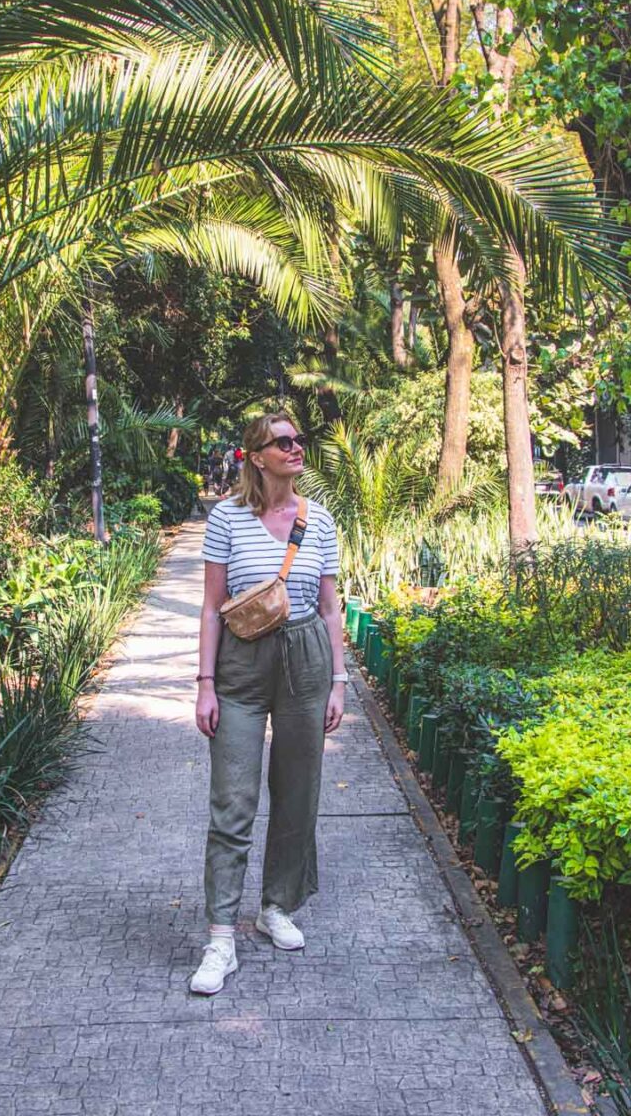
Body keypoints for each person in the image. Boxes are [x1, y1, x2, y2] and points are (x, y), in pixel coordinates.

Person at [190, 412, 347, 995]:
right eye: (283, 442)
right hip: (242, 664)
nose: (296, 447)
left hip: (305, 657)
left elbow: (331, 608)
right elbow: (212, 606)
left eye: (298, 439)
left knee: (298, 792)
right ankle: (221, 936)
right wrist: (205, 683)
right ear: (256, 456)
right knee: (232, 799)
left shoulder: (319, 519)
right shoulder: (226, 518)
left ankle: (277, 905)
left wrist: (338, 681)